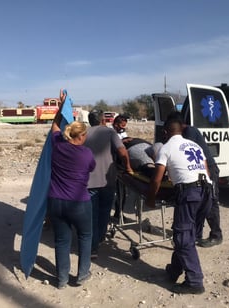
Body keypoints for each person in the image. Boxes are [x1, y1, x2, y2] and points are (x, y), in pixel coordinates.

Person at [146, 117, 212, 294]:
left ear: (166, 132)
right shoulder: (194, 145)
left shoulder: (166, 148)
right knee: (187, 235)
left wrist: (150, 199)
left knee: (183, 238)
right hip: (207, 192)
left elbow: (156, 179)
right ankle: (174, 270)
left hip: (190, 193)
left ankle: (195, 281)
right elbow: (205, 169)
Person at [47, 89, 96, 289]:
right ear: (82, 136)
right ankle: (82, 274)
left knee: (61, 241)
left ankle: (61, 280)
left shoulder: (58, 144)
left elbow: (55, 125)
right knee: (85, 237)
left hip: (56, 202)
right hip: (79, 203)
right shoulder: (86, 154)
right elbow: (91, 169)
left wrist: (61, 106)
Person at [166, 111, 223, 248]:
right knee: (200, 204)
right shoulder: (186, 133)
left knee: (210, 204)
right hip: (201, 170)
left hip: (207, 169)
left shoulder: (190, 132)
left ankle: (216, 235)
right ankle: (196, 235)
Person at [84, 110, 133, 258]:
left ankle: (92, 248)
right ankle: (98, 240)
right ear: (103, 120)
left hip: (88, 182)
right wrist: (128, 167)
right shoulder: (110, 133)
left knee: (92, 215)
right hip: (107, 181)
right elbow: (123, 153)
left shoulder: (83, 134)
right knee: (104, 212)